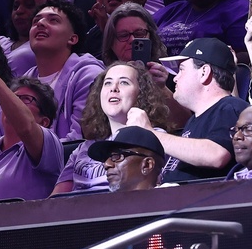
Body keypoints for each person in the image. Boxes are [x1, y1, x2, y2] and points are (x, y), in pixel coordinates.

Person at [133, 37, 245, 184]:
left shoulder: (230, 107)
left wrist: (150, 133)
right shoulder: (195, 120)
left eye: (181, 70)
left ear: (204, 72)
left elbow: (216, 155)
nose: (174, 78)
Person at [56, 60, 170, 195]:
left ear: (141, 94)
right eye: (107, 83)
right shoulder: (83, 149)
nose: (114, 88)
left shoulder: (156, 138)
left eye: (124, 82)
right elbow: (56, 199)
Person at [23, 0, 104, 140]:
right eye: (36, 21)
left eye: (53, 20)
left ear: (72, 39)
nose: (40, 23)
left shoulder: (88, 75)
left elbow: (79, 141)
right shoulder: (25, 80)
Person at [0, 70, 63, 201]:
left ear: (44, 122)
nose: (14, 103)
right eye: (13, 97)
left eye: (26, 99)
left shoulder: (50, 143)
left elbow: (26, 127)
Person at [88, 126, 167, 193]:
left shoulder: (171, 200)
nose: (106, 164)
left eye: (116, 156)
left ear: (147, 165)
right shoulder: (103, 208)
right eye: (105, 159)